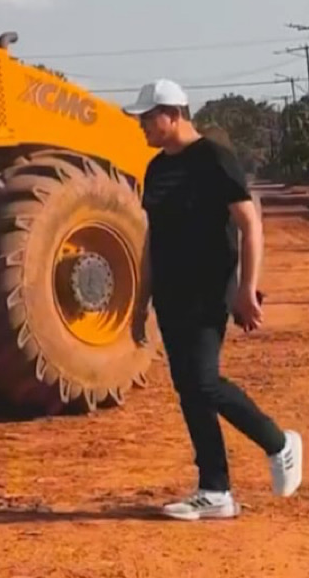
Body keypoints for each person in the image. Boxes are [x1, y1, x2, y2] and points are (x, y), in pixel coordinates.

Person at [124, 79, 302, 521]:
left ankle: (279, 443)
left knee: (204, 382)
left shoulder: (214, 158)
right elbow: (153, 240)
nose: (142, 126)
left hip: (207, 291)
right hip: (170, 293)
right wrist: (140, 301)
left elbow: (249, 223)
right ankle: (215, 489)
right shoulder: (156, 168)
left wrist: (245, 287)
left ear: (174, 114)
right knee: (189, 389)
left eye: (148, 118)